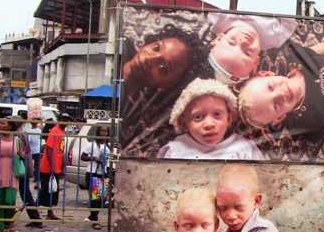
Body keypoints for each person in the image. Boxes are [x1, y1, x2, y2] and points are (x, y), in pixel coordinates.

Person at [120, 24, 208, 155]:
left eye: (163, 67)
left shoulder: (141, 121)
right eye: (156, 47)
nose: (149, 58)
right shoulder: (118, 48)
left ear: (166, 86)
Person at [237, 39, 324, 143]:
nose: (281, 94)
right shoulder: (304, 122)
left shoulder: (298, 58)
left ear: (267, 74)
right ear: (280, 118)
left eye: (270, 87)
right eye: (275, 106)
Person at [158, 78, 263, 160]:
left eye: (217, 114)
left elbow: (263, 178)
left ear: (229, 119)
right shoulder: (176, 150)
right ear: (184, 124)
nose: (209, 124)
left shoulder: (243, 148)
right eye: (198, 117)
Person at [207, 13, 297, 85]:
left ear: (218, 39)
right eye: (247, 53)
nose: (243, 42)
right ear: (256, 62)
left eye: (231, 43)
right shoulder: (274, 38)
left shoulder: (219, 18)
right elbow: (292, 15)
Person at [0, 118, 20, 232]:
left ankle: (10, 222)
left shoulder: (17, 140)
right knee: (0, 200)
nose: (0, 125)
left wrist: (25, 153)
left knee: (10, 200)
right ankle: (1, 227)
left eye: (3, 123)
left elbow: (21, 154)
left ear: (10, 126)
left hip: (12, 170)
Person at [11, 115, 43, 228]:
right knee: (25, 194)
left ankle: (7, 220)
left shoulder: (18, 134)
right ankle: (35, 218)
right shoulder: (23, 133)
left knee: (20, 193)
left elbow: (21, 153)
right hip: (23, 166)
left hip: (19, 167)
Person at [38, 113, 71, 220]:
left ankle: (49, 213)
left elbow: (60, 151)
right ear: (59, 119)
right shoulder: (54, 131)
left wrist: (61, 167)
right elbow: (49, 148)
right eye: (63, 119)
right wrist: (52, 165)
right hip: (48, 167)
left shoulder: (62, 132)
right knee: (46, 191)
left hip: (56, 166)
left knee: (53, 191)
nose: (65, 122)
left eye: (67, 120)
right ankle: (33, 210)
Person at [80, 126, 111, 230]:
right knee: (94, 199)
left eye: (105, 131)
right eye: (102, 131)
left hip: (103, 173)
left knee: (101, 199)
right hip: (92, 172)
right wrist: (93, 158)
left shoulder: (107, 146)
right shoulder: (92, 145)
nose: (103, 133)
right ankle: (95, 219)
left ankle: (92, 216)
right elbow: (83, 156)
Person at [26, 119, 42, 186]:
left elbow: (28, 140)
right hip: (37, 150)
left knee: (28, 164)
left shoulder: (28, 131)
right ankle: (37, 178)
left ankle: (28, 175)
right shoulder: (39, 130)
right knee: (37, 165)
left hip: (30, 150)